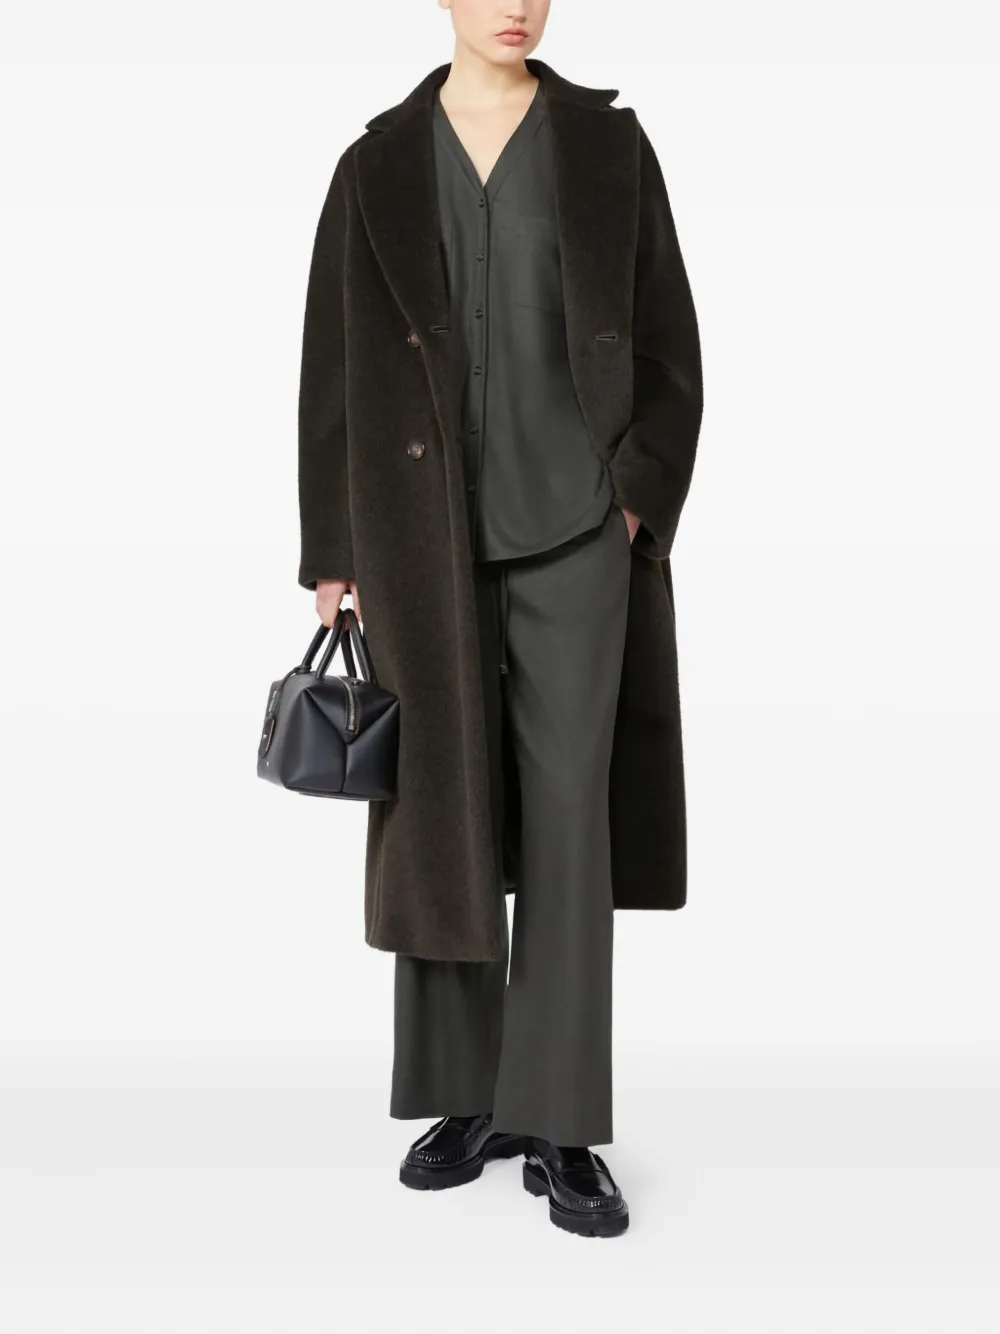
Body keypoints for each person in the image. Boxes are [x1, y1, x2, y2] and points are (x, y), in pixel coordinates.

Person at [296, 0, 702, 1239]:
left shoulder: (607, 147)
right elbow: (331, 365)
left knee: (572, 820)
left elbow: (671, 341)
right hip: (419, 542)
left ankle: (562, 1120)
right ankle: (467, 1097)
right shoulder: (373, 162)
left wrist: (635, 499)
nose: (517, 4)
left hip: (578, 533)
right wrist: (333, 548)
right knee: (441, 815)